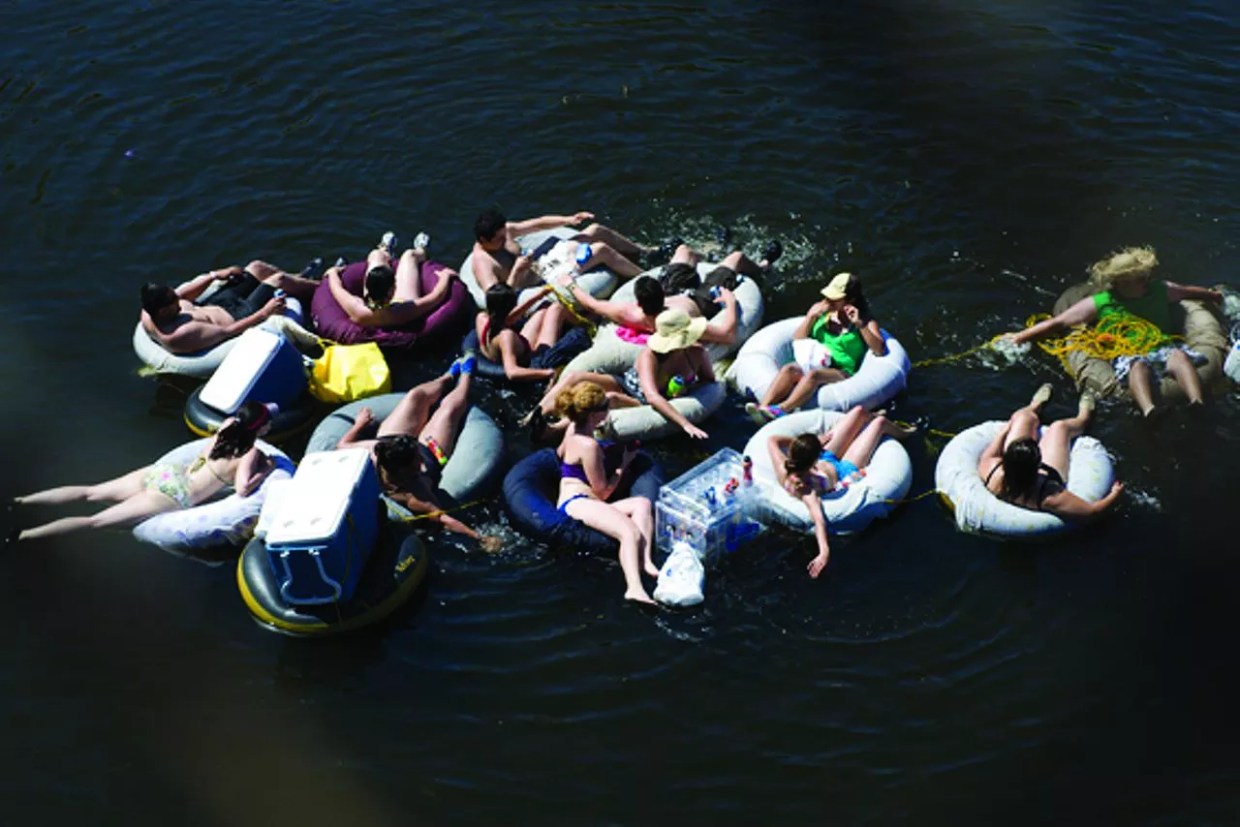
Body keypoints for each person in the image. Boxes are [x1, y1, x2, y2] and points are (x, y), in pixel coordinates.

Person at [10, 402, 279, 543]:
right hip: (177, 493)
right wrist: (265, 470)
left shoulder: (228, 425)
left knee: (90, 491)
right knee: (95, 522)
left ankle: (19, 502)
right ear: (261, 429)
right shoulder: (251, 454)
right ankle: (22, 536)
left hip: (168, 472)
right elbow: (243, 488)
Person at [1004, 246, 1225, 417]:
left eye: (1146, 276)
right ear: (1122, 284)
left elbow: (1187, 292)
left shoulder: (1160, 290)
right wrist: (1021, 337)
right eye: (1140, 279)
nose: (1146, 281)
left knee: (1179, 356)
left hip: (1162, 345)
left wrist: (1213, 296)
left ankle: (1197, 403)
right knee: (1137, 366)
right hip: (1128, 352)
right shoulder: (1101, 302)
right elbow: (1059, 322)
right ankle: (1149, 411)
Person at [334, 357, 502, 552]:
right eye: (416, 463)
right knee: (449, 410)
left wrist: (359, 425)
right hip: (430, 450)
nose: (421, 465)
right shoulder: (414, 494)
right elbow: (444, 519)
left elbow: (343, 445)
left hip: (394, 440)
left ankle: (447, 376)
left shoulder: (379, 450)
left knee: (415, 395)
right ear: (405, 468)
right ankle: (466, 375)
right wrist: (481, 538)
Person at [766, 406, 919, 578]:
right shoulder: (805, 488)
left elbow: (773, 440)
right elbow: (818, 519)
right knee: (880, 423)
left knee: (860, 411)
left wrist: (814, 442)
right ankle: (907, 433)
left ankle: (872, 415)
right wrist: (824, 552)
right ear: (812, 461)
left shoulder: (784, 465)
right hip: (844, 469)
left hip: (827, 457)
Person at [553, 380, 657, 604]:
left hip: (584, 500)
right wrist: (624, 464)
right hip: (578, 502)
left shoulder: (572, 428)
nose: (609, 411)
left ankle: (645, 560)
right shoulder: (589, 447)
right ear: (593, 416)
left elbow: (560, 453)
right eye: (605, 409)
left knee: (642, 504)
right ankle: (634, 588)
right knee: (629, 532)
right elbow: (603, 492)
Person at [747, 271, 888, 422]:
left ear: (851, 299)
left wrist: (860, 324)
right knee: (789, 369)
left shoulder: (864, 321)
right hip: (816, 361)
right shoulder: (822, 312)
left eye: (835, 298)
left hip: (842, 372)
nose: (828, 300)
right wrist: (810, 317)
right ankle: (762, 409)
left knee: (814, 375)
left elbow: (879, 349)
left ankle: (782, 409)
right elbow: (798, 340)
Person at [977, 383, 1124, 519]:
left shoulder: (992, 471)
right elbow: (1093, 511)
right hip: (1046, 476)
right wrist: (1115, 494)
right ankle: (1084, 418)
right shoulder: (1049, 496)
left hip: (1020, 474)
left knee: (1021, 417)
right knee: (1059, 427)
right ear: (1037, 465)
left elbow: (990, 454)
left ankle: (1034, 407)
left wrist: (1006, 430)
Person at [140, 260, 322, 355]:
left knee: (256, 267)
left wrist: (214, 275)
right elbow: (228, 331)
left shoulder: (149, 314)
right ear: (163, 311)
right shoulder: (181, 334)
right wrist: (265, 312)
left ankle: (300, 279)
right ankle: (324, 287)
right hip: (239, 314)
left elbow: (183, 294)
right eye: (173, 299)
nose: (178, 298)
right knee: (278, 280)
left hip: (216, 303)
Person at [470, 208, 651, 293]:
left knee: (596, 230)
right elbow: (498, 300)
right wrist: (517, 270)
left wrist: (569, 219)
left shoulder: (503, 231)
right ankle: (650, 278)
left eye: (504, 236)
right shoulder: (483, 263)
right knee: (601, 250)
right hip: (539, 282)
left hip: (541, 263)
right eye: (499, 239)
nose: (504, 240)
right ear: (484, 240)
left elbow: (538, 223)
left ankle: (647, 252)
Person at [326, 232, 459, 329]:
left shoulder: (356, 308)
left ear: (366, 285)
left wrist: (333, 272)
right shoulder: (405, 310)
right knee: (409, 256)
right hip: (396, 308)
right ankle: (421, 251)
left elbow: (336, 288)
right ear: (392, 291)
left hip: (371, 310)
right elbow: (436, 296)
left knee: (375, 255)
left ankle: (384, 250)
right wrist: (445, 276)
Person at [475, 283, 589, 382]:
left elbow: (507, 318)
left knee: (543, 310)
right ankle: (588, 326)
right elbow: (511, 373)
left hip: (518, 348)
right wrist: (548, 373)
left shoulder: (482, 318)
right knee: (557, 309)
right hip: (534, 361)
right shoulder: (506, 336)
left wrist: (539, 296)